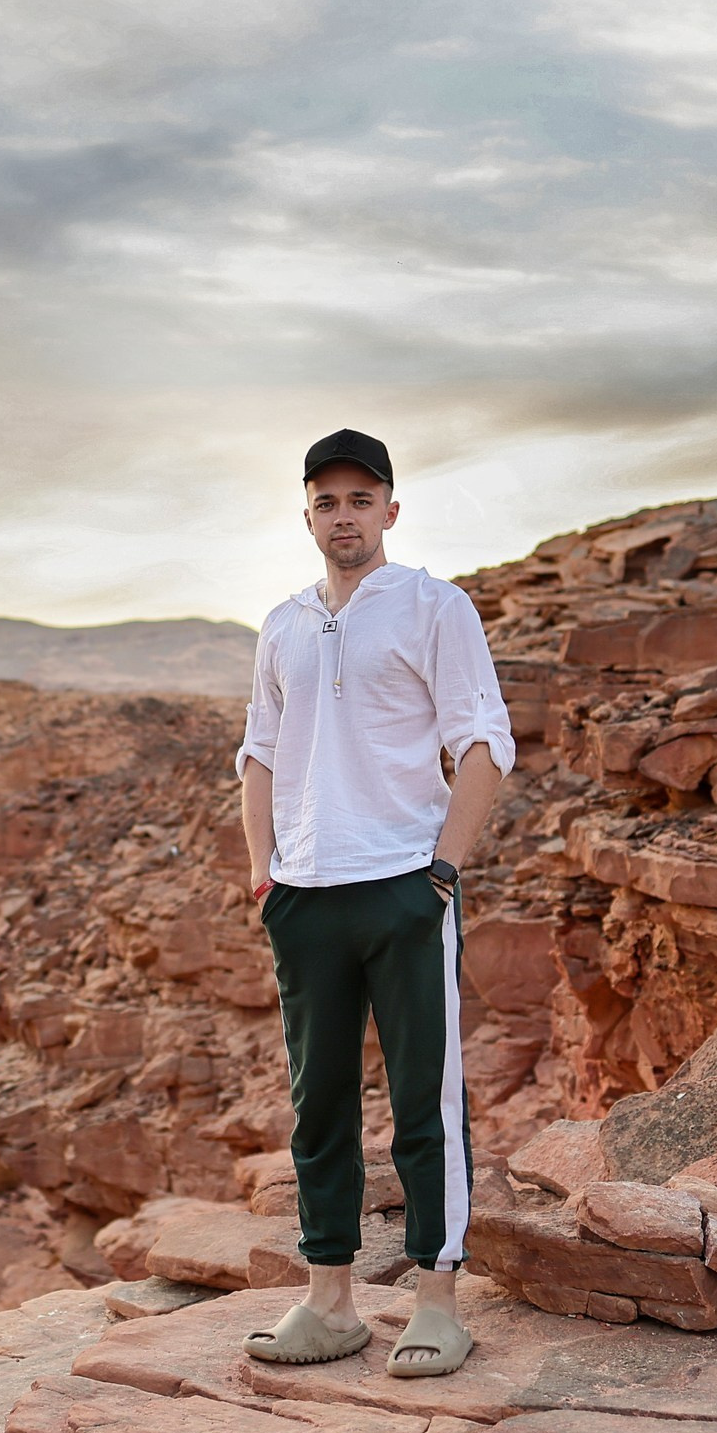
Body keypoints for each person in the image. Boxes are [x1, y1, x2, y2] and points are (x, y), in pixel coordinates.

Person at [234, 428, 512, 1379]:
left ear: (390, 508)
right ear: (306, 513)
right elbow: (259, 753)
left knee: (425, 1101)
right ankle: (330, 1301)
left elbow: (483, 740)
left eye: (360, 498)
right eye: (326, 500)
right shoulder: (282, 624)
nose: (342, 515)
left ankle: (439, 1301)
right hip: (305, 897)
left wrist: (443, 867)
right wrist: (264, 870)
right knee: (319, 1106)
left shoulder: (435, 607)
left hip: (404, 885)